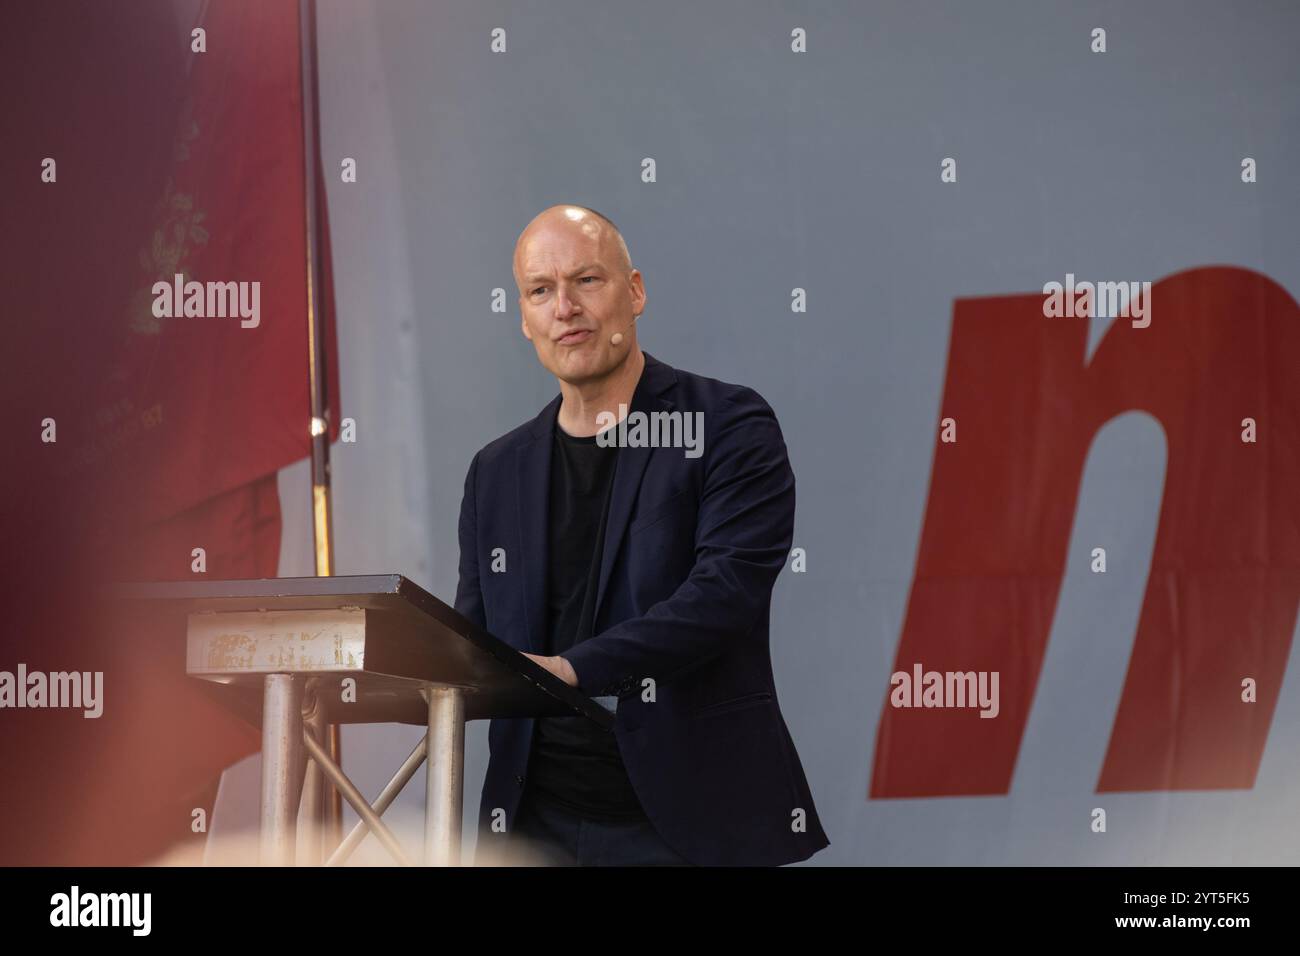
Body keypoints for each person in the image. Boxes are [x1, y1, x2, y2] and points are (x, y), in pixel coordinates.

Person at [456, 204, 829, 866]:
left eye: (587, 281)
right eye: (541, 291)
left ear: (635, 292)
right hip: (529, 827)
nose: (564, 307)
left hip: (687, 824)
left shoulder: (728, 425)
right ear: (524, 318)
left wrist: (574, 669)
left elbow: (724, 595)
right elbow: (472, 641)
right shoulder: (496, 470)